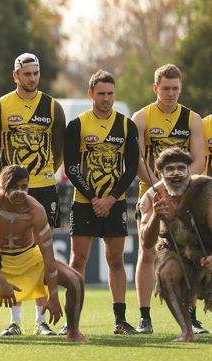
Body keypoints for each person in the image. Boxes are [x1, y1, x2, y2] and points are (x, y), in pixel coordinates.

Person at [0, 165, 87, 343]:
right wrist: (1, 281)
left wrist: (54, 295)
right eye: (14, 187)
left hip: (30, 259)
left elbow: (48, 255)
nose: (20, 192)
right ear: (3, 185)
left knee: (76, 280)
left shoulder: (36, 209)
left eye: (24, 187)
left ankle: (73, 331)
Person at [0, 52, 66, 336]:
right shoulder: (1, 107)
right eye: (27, 74)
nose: (32, 78)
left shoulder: (53, 106)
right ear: (16, 76)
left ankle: (41, 320)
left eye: (36, 73)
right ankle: (14, 319)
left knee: (42, 251)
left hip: (44, 187)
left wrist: (44, 174)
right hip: (11, 191)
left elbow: (58, 151)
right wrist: (8, 182)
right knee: (11, 248)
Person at [132, 64, 206, 334]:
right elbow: (137, 159)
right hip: (151, 193)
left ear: (181, 88)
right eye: (166, 88)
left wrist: (183, 187)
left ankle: (192, 318)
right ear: (155, 88)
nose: (171, 93)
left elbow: (198, 160)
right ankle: (144, 317)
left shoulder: (192, 119)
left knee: (190, 252)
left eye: (175, 88)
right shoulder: (141, 117)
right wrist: (159, 187)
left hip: (186, 197)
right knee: (147, 251)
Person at [64, 70, 139, 334]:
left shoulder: (127, 125)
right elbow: (71, 167)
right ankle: (71, 320)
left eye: (110, 94)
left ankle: (120, 320)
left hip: (114, 202)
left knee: (115, 260)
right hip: (84, 202)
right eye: (101, 94)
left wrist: (110, 199)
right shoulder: (77, 125)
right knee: (78, 260)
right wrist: (94, 198)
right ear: (91, 94)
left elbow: (131, 168)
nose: (106, 99)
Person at [138, 148, 212, 342]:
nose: (176, 173)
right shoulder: (151, 196)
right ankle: (187, 331)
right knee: (166, 272)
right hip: (180, 253)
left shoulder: (206, 190)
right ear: (160, 173)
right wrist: (156, 216)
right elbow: (146, 242)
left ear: (189, 171)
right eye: (170, 169)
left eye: (181, 168)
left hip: (208, 252)